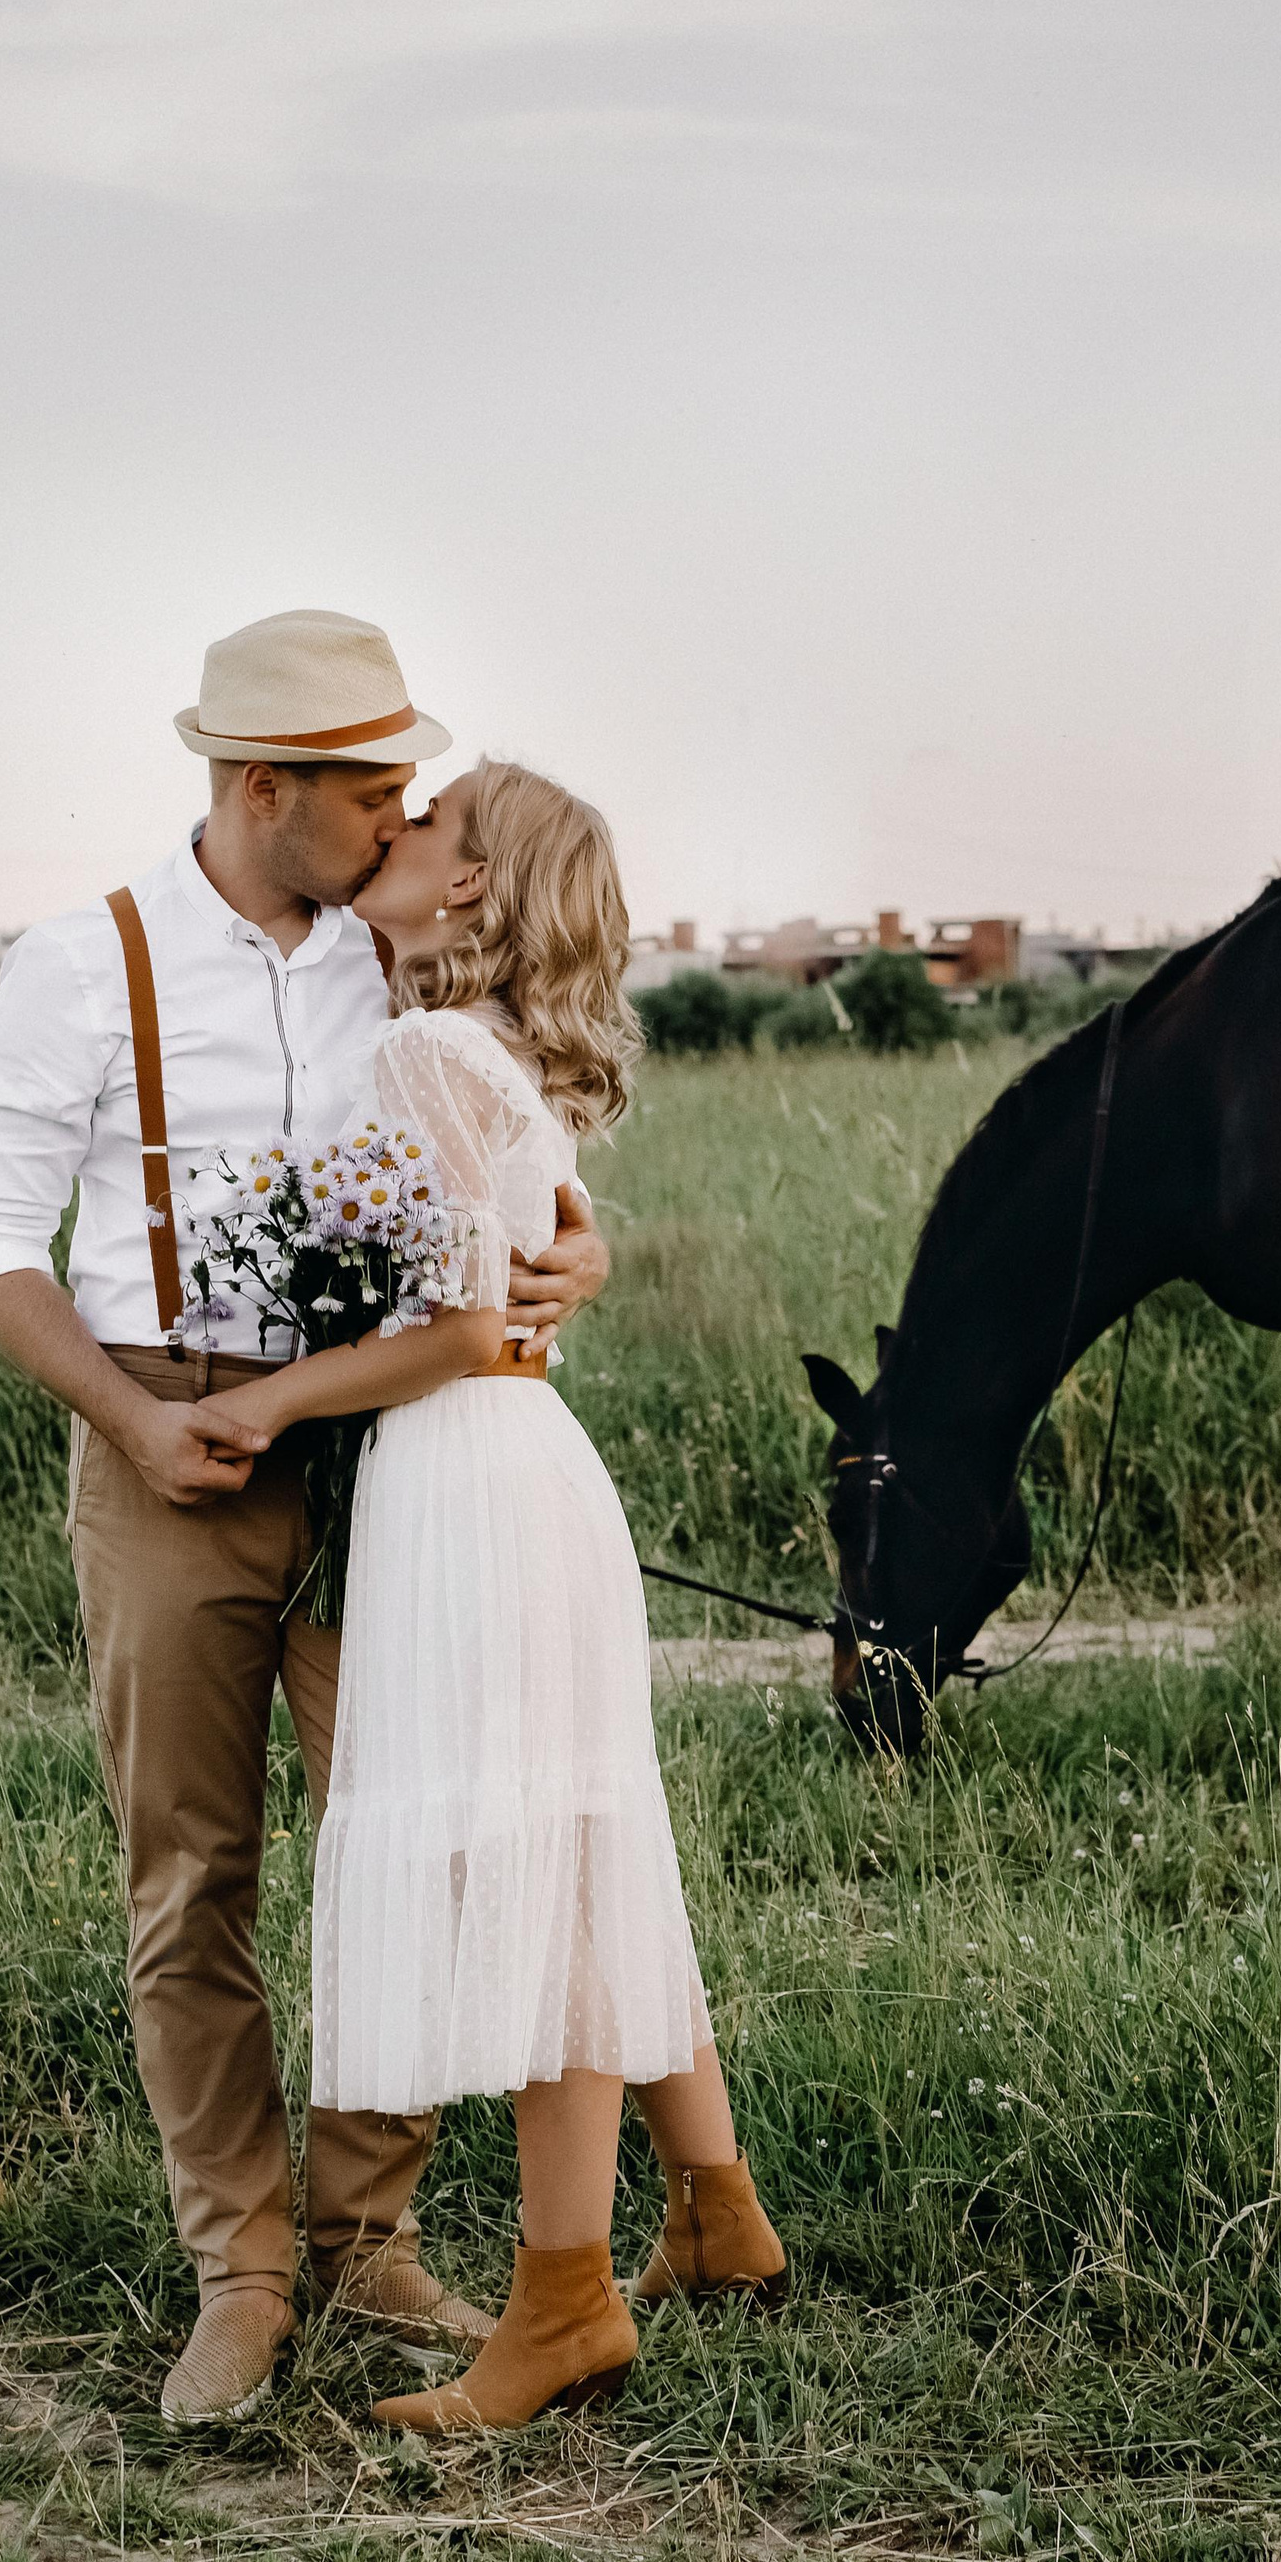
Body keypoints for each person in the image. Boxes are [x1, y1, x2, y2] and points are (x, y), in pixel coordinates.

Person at [0, 612, 613, 2427]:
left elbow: (507, 1175)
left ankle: (366, 2235)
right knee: (192, 1867)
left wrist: (578, 1257)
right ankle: (240, 2270)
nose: (403, 816)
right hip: (164, 1430)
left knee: (415, 1837)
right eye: (374, 787)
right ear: (261, 788)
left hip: (393, 1446)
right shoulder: (85, 960)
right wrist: (134, 1422)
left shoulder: (402, 956)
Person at [225, 759, 787, 2434]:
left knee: (545, 1869)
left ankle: (563, 2303)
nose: (391, 830)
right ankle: (717, 2212)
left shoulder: (425, 1054)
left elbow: (469, 1325)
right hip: (523, 1464)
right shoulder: (498, 1055)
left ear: (469, 885)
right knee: (585, 1843)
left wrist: (268, 1400)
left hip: (470, 1469)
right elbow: (519, 1284)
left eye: (425, 823)